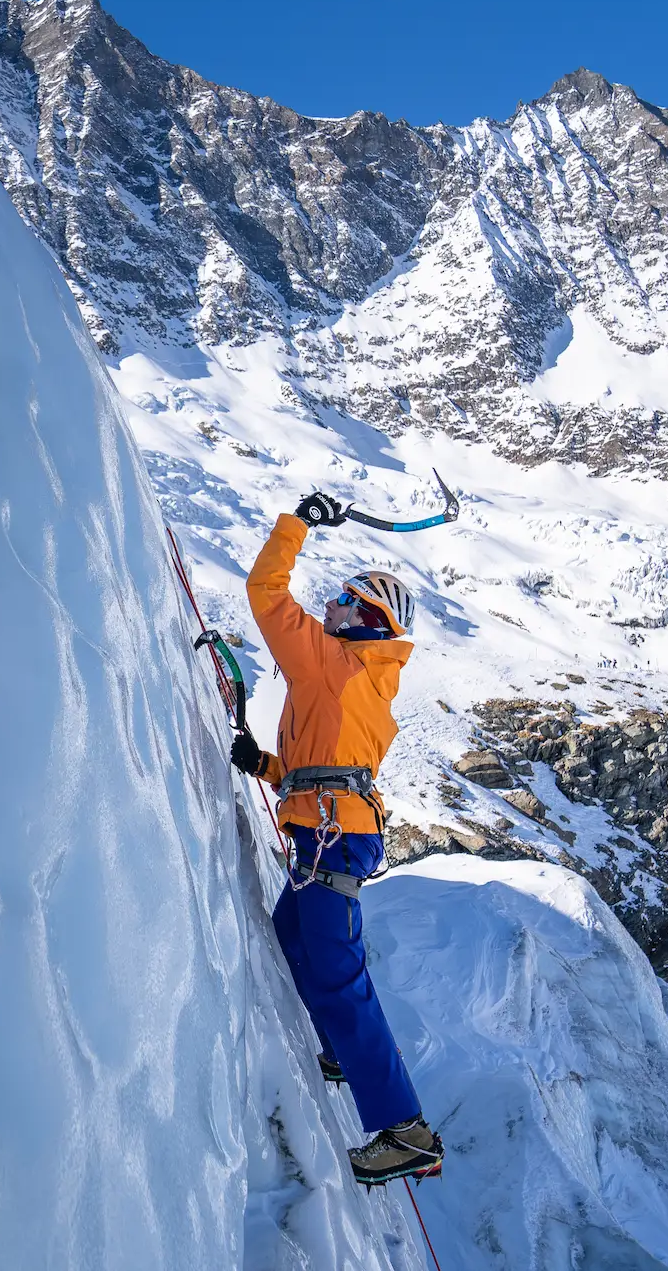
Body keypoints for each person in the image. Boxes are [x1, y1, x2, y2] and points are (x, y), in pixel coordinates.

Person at [231, 491, 443, 1185]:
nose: (329, 609)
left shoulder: (333, 662)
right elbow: (320, 765)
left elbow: (265, 592)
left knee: (340, 976)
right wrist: (265, 765)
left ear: (369, 622)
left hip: (329, 839)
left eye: (345, 603)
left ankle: (405, 1130)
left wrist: (298, 522)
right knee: (293, 940)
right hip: (333, 834)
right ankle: (334, 1050)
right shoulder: (362, 682)